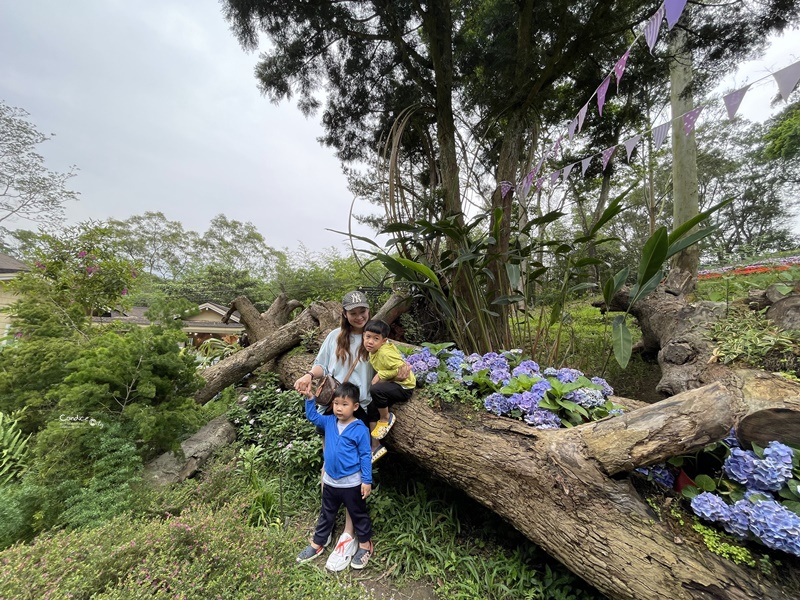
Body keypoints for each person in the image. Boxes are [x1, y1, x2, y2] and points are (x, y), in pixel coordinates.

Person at [293, 290, 410, 571]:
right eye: (353, 311)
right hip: (336, 409)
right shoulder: (335, 336)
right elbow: (321, 365)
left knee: (356, 473)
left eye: (363, 310)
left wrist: (405, 367)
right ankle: (324, 531)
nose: (359, 316)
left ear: (369, 311)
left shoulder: (377, 338)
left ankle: (350, 534)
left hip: (363, 412)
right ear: (344, 313)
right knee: (330, 469)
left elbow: (395, 361)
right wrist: (309, 375)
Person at [296, 382, 374, 569]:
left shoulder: (360, 429)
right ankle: (318, 543)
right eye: (336, 403)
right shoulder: (330, 421)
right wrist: (309, 398)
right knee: (327, 513)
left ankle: (365, 545)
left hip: (352, 484)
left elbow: (365, 455)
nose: (338, 408)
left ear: (355, 407)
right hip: (330, 482)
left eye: (344, 404)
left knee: (358, 514)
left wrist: (366, 481)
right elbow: (313, 416)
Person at [363, 319, 415, 460]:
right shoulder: (374, 351)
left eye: (376, 338)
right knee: (371, 406)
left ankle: (386, 418)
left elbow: (401, 368)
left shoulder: (384, 353)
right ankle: (375, 446)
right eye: (367, 337)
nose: (370, 342)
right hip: (393, 384)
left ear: (384, 340)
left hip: (404, 387)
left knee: (376, 390)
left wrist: (381, 375)